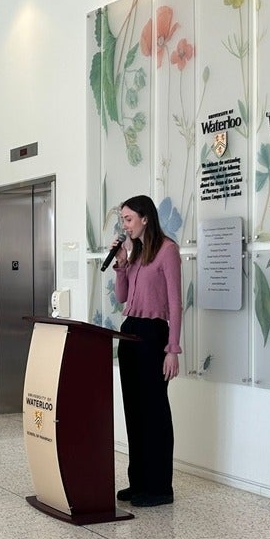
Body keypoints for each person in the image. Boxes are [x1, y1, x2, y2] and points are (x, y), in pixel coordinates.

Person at [111, 194, 182, 508]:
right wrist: (121, 266)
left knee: (154, 413)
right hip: (131, 332)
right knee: (134, 412)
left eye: (128, 219)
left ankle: (159, 487)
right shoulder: (136, 254)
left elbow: (176, 304)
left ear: (145, 218)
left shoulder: (168, 251)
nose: (124, 225)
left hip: (154, 335)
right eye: (123, 219)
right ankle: (138, 481)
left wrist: (173, 349)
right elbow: (122, 297)